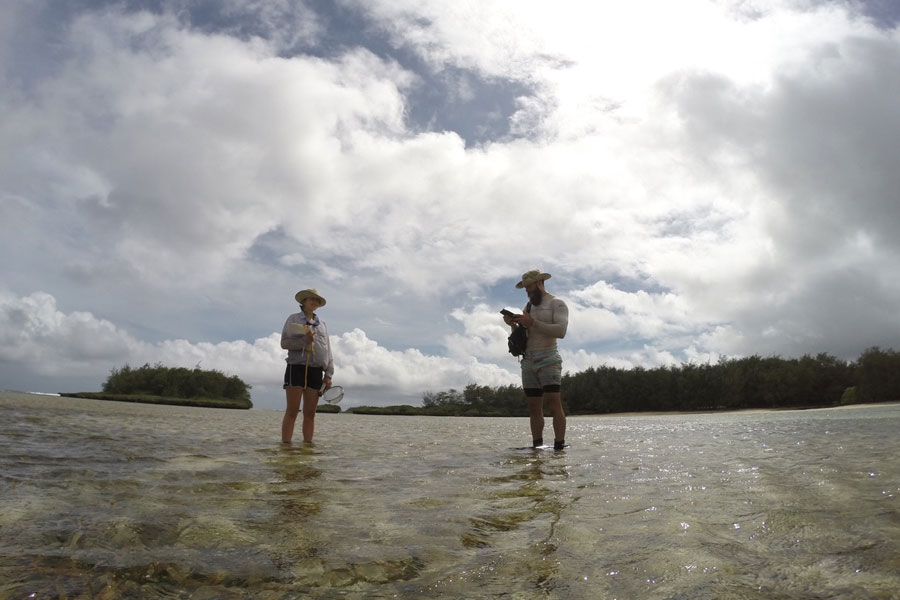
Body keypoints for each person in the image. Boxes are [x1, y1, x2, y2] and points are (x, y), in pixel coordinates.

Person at [503, 270, 569, 449]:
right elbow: (524, 335)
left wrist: (533, 323)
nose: (527, 291)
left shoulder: (557, 303)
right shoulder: (528, 307)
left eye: (529, 287)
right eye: (525, 288)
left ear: (540, 283)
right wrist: (514, 326)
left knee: (553, 403)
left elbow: (561, 331)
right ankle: (537, 447)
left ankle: (559, 446)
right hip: (528, 360)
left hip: (549, 357)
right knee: (533, 407)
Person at [281, 288, 334, 444]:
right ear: (303, 301)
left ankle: (308, 448)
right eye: (311, 299)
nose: (314, 302)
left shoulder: (322, 325)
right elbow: (284, 343)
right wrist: (305, 341)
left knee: (310, 414)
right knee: (292, 410)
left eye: (317, 300)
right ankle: (286, 448)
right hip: (296, 367)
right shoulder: (293, 319)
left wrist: (329, 374)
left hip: (316, 371)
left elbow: (328, 350)